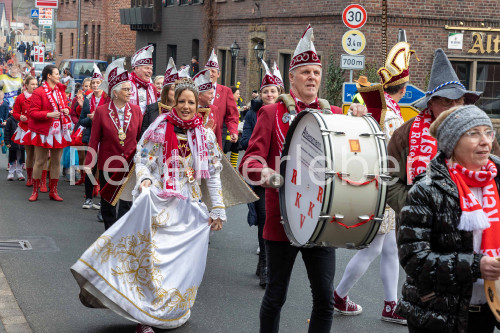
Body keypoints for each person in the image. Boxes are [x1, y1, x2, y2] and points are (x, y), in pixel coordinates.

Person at [71, 77, 226, 333]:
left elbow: (213, 173)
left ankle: (169, 311)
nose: (186, 106)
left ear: (198, 104)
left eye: (191, 102)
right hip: (160, 204)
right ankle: (145, 316)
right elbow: (144, 160)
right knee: (153, 262)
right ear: (173, 102)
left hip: (190, 209)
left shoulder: (206, 135)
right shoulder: (159, 126)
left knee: (181, 266)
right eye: (181, 101)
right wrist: (144, 180)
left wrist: (218, 208)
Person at [239, 25, 366, 332]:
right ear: (292, 78)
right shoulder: (271, 114)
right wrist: (264, 173)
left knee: (323, 298)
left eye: (317, 72)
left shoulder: (334, 114)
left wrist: (362, 117)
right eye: (305, 72)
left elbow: (356, 155)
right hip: (282, 220)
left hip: (321, 221)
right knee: (276, 294)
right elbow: (248, 162)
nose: (312, 78)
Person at [333, 42, 417, 324]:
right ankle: (341, 294)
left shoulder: (376, 107)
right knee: (376, 247)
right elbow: (395, 155)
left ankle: (390, 304)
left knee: (389, 247)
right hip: (384, 188)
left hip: (376, 183)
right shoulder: (392, 115)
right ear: (403, 89)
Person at [397, 105, 500, 333]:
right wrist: (475, 266)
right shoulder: (426, 190)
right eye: (473, 133)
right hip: (438, 313)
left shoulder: (497, 181)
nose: (485, 141)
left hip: (489, 313)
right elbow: (414, 258)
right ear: (452, 143)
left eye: (488, 132)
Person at [386, 48, 500, 219]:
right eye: (447, 101)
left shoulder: (481, 130)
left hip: (476, 220)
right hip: (421, 228)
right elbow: (390, 181)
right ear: (430, 104)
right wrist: (417, 209)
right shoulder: (405, 134)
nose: (454, 107)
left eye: (459, 101)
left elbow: (495, 172)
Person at [84, 58, 143, 230]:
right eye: (125, 89)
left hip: (130, 164)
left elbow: (139, 138)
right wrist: (89, 163)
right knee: (108, 202)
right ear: (115, 92)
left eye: (130, 89)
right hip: (108, 163)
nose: (129, 92)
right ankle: (109, 234)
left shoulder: (137, 111)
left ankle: (121, 233)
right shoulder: (102, 112)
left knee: (126, 202)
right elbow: (94, 139)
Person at [240, 59, 281, 289]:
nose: (269, 94)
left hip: (281, 173)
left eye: (273, 91)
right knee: (264, 219)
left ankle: (270, 264)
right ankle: (265, 265)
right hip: (261, 173)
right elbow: (246, 142)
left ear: (279, 92)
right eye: (265, 91)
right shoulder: (253, 115)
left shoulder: (287, 113)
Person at [26, 65, 72, 201]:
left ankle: (53, 191)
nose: (59, 76)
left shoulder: (60, 90)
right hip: (43, 131)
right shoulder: (39, 92)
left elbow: (65, 105)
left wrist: (67, 110)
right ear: (49, 76)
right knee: (40, 161)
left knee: (56, 161)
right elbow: (32, 113)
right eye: (57, 74)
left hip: (59, 131)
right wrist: (49, 114)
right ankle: (35, 191)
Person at [77, 63, 108, 209]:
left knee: (103, 169)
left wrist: (99, 117)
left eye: (98, 83)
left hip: (105, 138)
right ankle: (88, 198)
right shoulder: (88, 100)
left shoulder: (107, 100)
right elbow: (81, 120)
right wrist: (90, 119)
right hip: (91, 138)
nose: (95, 85)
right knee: (90, 167)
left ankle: (103, 199)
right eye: (93, 83)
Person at [141, 58, 188, 137]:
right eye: (173, 89)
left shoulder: (184, 110)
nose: (176, 93)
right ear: (166, 91)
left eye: (178, 89)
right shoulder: (152, 109)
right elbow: (144, 135)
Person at [204, 49, 239, 148]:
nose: (210, 73)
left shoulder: (226, 91)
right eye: (207, 71)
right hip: (199, 133)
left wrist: (233, 131)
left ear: (218, 74)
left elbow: (232, 114)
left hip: (218, 135)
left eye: (213, 71)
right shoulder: (196, 89)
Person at [11, 76, 39, 186]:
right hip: (26, 128)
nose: (35, 86)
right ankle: (29, 178)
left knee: (39, 155)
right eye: (32, 84)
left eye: (36, 84)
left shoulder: (40, 96)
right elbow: (15, 112)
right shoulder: (20, 98)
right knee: (30, 154)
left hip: (37, 128)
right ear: (26, 85)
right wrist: (20, 117)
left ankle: (38, 178)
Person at [128, 45, 158, 115]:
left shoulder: (152, 88)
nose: (150, 71)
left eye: (151, 69)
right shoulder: (125, 85)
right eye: (147, 68)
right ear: (136, 68)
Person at [4, 110, 25, 180]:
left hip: (22, 143)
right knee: (12, 158)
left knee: (20, 158)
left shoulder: (24, 120)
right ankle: (11, 173)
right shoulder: (10, 120)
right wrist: (7, 142)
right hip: (12, 143)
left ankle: (19, 172)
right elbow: (6, 131)